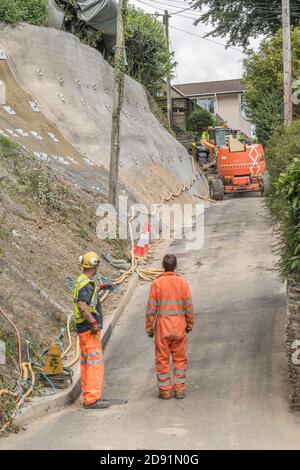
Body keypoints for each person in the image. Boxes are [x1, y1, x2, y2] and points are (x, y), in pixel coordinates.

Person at [145, 254, 194, 400]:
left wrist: (149, 328)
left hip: (162, 328)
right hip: (179, 327)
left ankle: (165, 391)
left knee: (162, 360)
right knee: (179, 360)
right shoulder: (183, 283)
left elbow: (151, 309)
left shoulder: (157, 284)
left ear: (163, 266)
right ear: (176, 266)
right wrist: (189, 325)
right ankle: (179, 390)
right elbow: (189, 307)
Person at [73, 251, 109, 409]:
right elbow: (82, 305)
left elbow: (86, 298)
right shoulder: (86, 284)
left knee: (87, 364)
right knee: (95, 364)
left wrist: (100, 288)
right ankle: (93, 399)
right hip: (89, 330)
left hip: (83, 330)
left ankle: (88, 397)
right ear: (93, 266)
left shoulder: (81, 280)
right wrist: (94, 322)